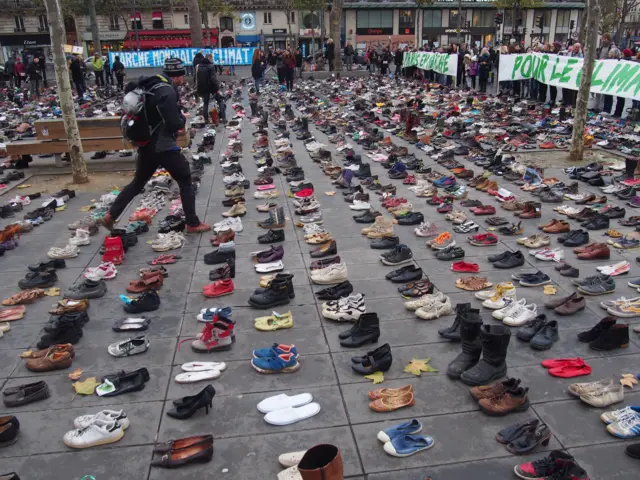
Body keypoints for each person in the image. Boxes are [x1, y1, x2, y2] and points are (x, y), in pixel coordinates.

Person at [100, 58, 210, 234]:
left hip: (146, 143)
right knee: (185, 179)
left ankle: (111, 215)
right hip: (163, 145)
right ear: (176, 76)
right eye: (182, 75)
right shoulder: (167, 91)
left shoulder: (151, 85)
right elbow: (173, 123)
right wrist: (182, 118)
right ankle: (192, 223)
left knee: (138, 182)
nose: (183, 79)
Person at [196, 53, 220, 124]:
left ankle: (206, 118)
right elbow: (213, 78)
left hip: (202, 87)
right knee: (218, 100)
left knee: (205, 103)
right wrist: (217, 88)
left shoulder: (198, 66)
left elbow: (196, 77)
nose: (212, 60)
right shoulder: (211, 66)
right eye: (211, 58)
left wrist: (197, 87)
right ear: (209, 58)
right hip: (211, 87)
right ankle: (219, 116)